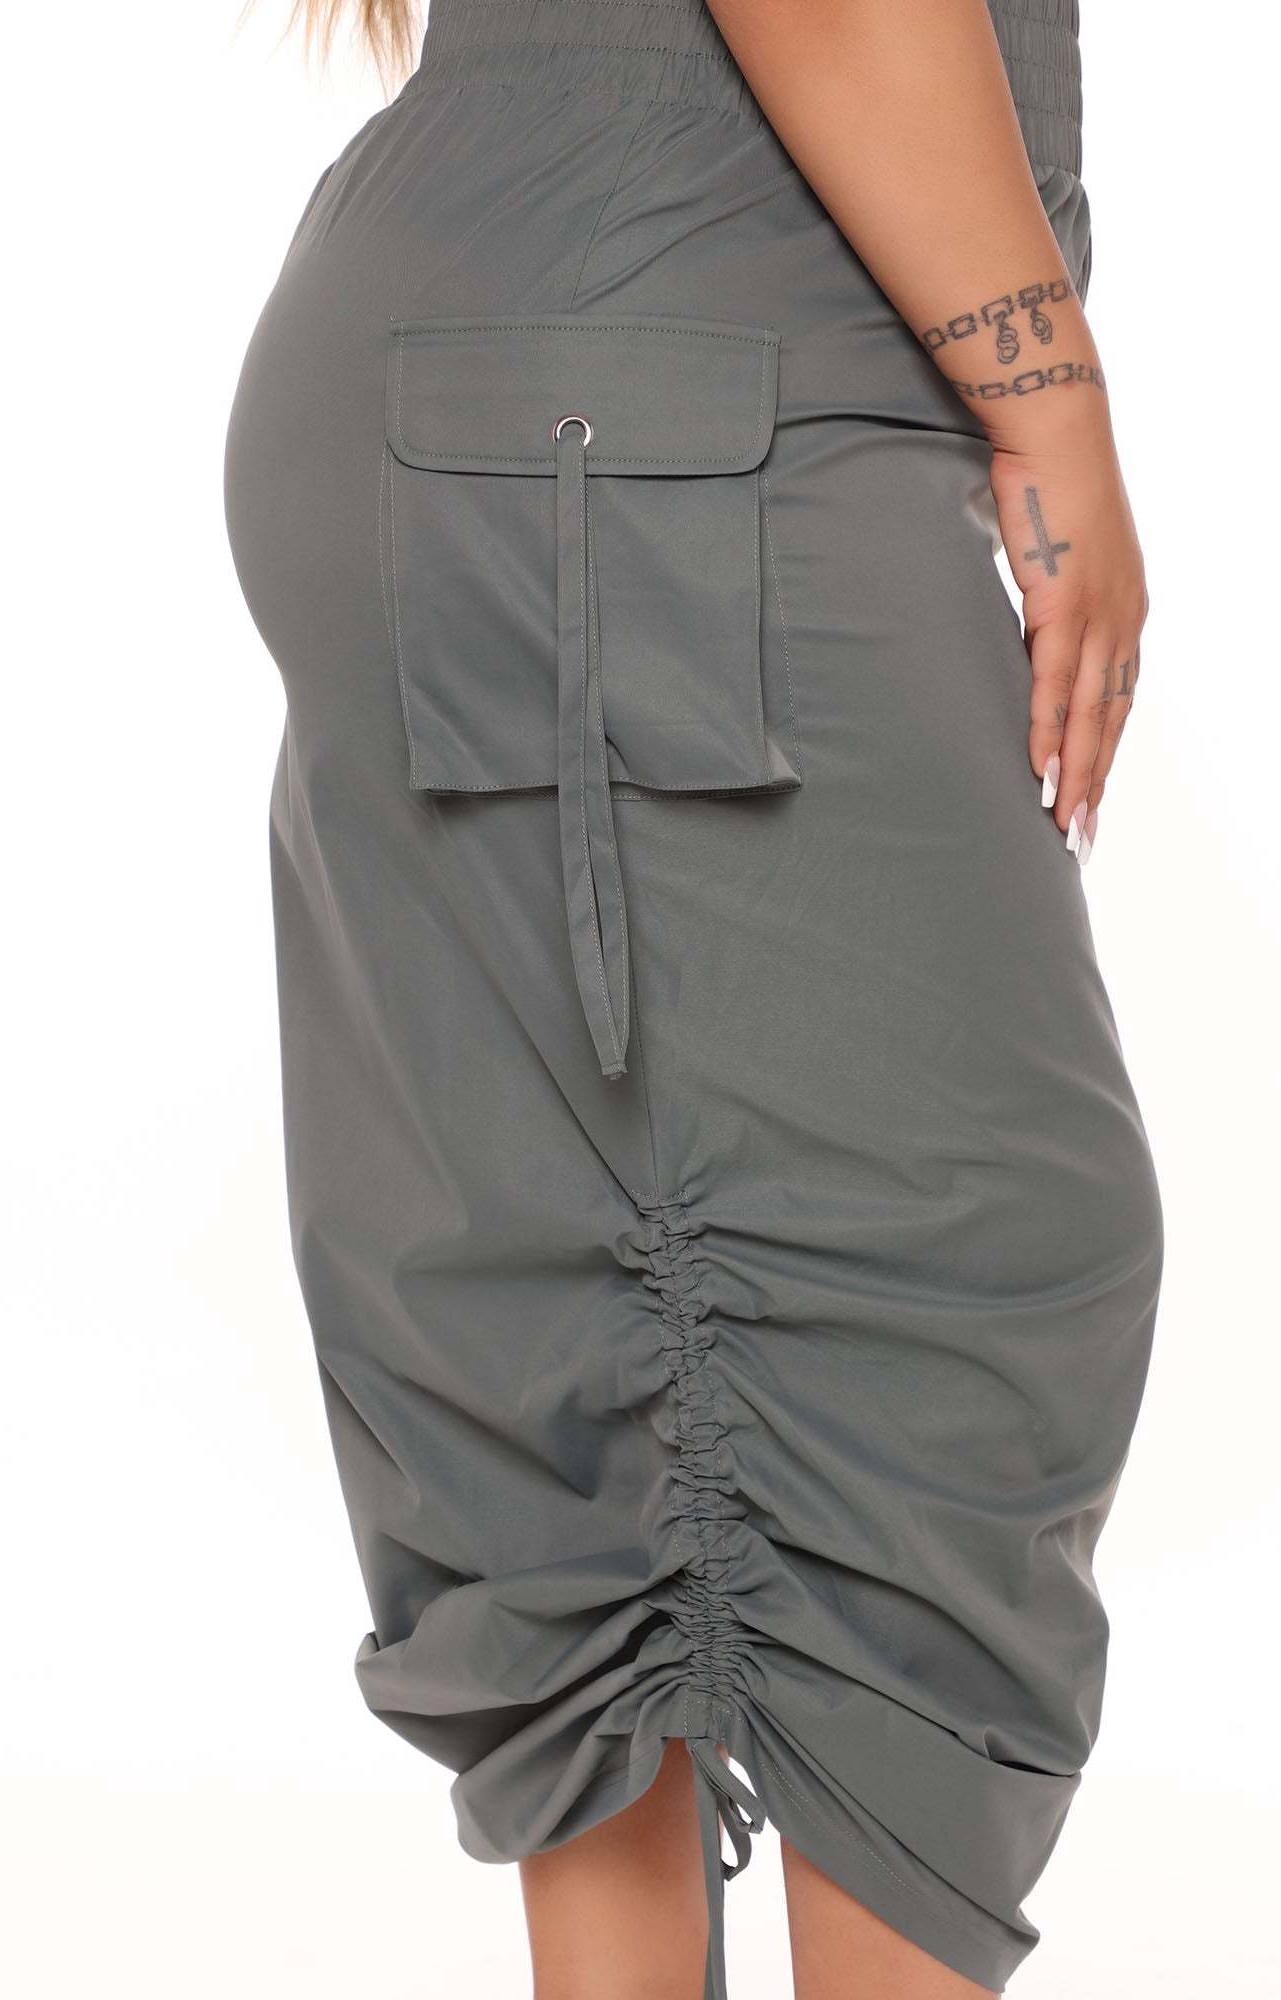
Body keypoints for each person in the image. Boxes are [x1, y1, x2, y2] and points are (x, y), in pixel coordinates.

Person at [223, 2, 1164, 1993]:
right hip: (649, 430)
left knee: (562, 1317)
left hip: (542, 393)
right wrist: (1052, 405)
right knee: (942, 1295)